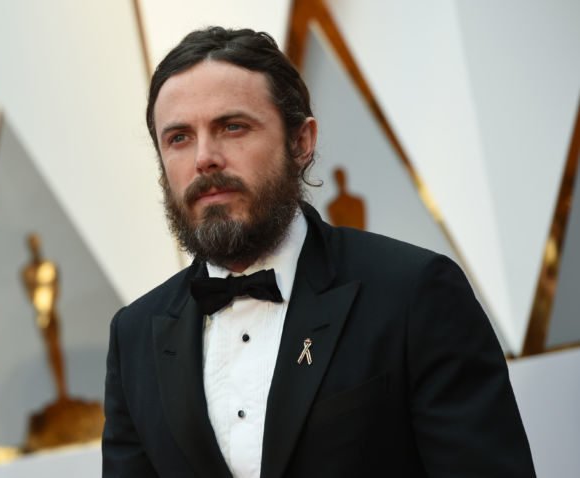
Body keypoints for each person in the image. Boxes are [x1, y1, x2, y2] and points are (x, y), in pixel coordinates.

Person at [101, 27, 535, 477]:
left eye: (232, 127)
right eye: (179, 138)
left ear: (302, 142)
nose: (204, 158)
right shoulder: (133, 337)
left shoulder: (414, 293)